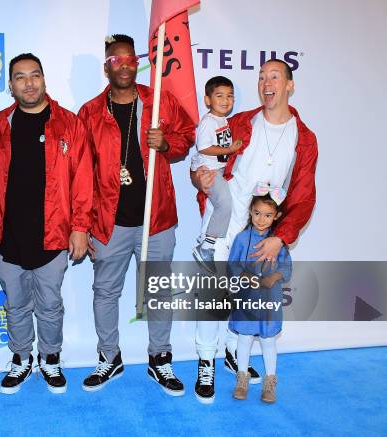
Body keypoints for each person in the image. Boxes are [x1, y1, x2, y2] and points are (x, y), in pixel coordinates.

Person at [191, 58, 318, 404]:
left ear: (289, 86)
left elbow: (304, 195)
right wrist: (198, 178)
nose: (266, 82)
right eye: (261, 77)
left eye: (274, 76)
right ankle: (206, 360)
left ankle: (235, 354)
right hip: (223, 221)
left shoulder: (303, 139)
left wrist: (280, 237)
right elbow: (201, 157)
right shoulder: (240, 122)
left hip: (261, 233)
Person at [77, 34, 195, 395]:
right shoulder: (90, 112)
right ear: (106, 66)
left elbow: (187, 135)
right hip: (108, 222)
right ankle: (109, 357)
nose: (124, 65)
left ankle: (160, 359)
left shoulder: (159, 100)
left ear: (137, 63)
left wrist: (168, 144)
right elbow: (80, 172)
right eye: (116, 60)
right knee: (105, 292)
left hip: (155, 219)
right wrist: (81, 224)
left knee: (158, 292)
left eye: (130, 59)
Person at [0, 53, 92, 395]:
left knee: (50, 303)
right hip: (8, 236)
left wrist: (80, 226)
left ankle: (50, 358)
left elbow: (83, 179)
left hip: (54, 234)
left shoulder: (69, 124)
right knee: (14, 304)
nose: (29, 83)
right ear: (10, 85)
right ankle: (20, 358)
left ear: (44, 79)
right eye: (21, 77)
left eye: (35, 75)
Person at [228, 185, 291, 404]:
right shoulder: (241, 239)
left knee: (268, 341)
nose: (261, 220)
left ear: (277, 217)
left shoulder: (278, 243)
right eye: (257, 213)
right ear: (250, 212)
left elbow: (286, 269)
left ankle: (270, 382)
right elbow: (232, 265)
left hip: (269, 300)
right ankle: (242, 379)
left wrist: (273, 278)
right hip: (247, 299)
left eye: (268, 215)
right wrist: (245, 275)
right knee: (244, 338)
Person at [191, 76, 242, 273]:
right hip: (209, 171)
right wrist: (229, 150)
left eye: (230, 96)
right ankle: (206, 246)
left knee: (219, 206)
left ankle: (206, 241)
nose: (225, 100)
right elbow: (203, 147)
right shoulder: (208, 121)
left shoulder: (223, 120)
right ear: (207, 100)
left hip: (218, 170)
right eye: (219, 95)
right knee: (225, 203)